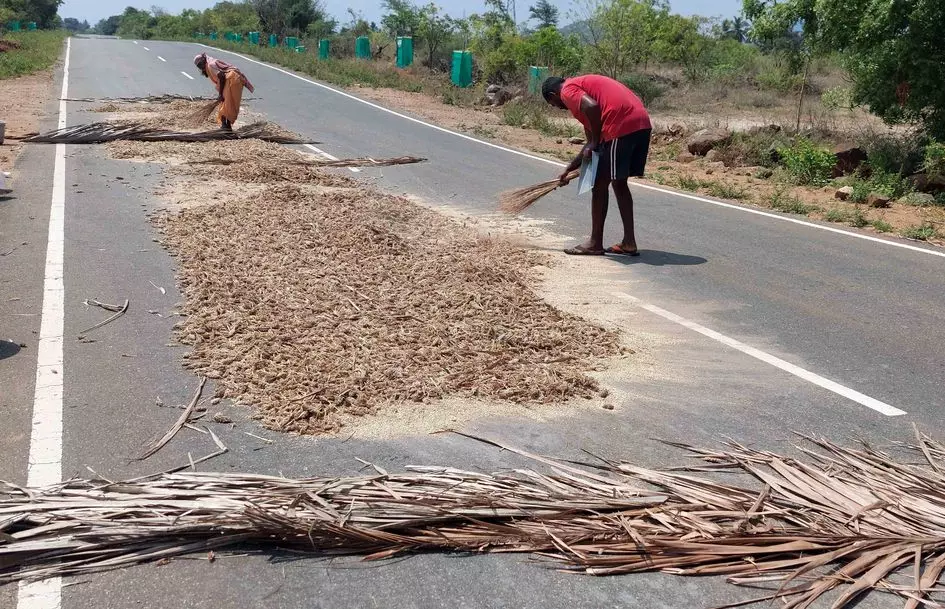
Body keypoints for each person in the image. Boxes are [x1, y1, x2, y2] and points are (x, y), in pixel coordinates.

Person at [542, 75, 652, 256]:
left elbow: (592, 108)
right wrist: (569, 169)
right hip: (640, 123)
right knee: (618, 182)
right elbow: (591, 143)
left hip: (621, 125)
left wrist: (594, 142)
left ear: (554, 94)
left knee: (600, 185)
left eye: (554, 104)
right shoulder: (582, 92)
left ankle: (595, 243)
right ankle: (629, 243)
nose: (559, 108)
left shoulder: (568, 90)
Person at [194, 53, 255, 131]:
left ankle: (226, 127)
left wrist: (220, 94)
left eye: (200, 65)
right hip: (232, 80)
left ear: (203, 60)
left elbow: (222, 76)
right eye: (198, 66)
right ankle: (226, 127)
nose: (201, 67)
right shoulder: (209, 64)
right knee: (227, 103)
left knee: (228, 103)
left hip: (232, 80)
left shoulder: (210, 65)